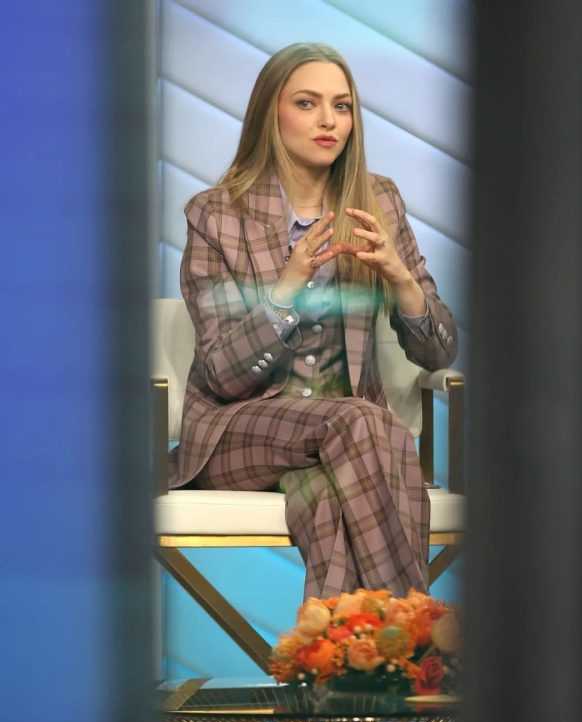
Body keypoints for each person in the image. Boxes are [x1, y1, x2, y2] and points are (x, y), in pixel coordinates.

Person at [168, 42, 458, 600]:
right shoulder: (216, 214)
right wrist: (287, 289)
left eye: (341, 106)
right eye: (307, 103)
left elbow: (439, 353)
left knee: (327, 501)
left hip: (346, 445)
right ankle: (415, 626)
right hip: (238, 431)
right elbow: (224, 374)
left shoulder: (378, 202)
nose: (329, 120)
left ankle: (341, 653)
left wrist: (400, 279)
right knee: (363, 422)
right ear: (270, 113)